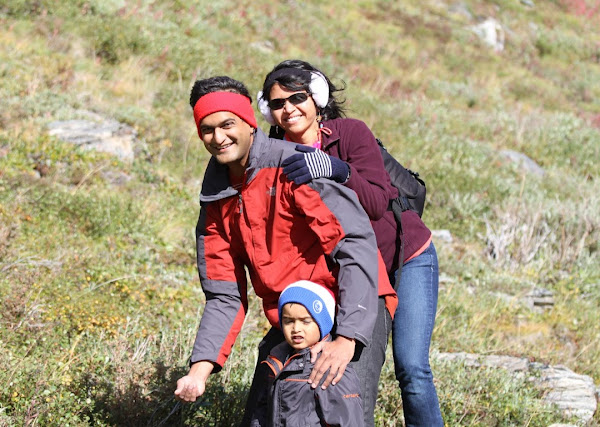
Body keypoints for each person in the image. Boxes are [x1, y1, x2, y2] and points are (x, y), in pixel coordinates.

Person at [173, 76, 397, 427]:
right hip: (293, 318)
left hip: (352, 304)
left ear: (249, 122)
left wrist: (346, 338)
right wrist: (199, 371)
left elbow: (354, 247)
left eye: (227, 124)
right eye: (207, 129)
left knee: (341, 413)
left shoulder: (294, 166)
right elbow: (224, 295)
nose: (218, 138)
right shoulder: (215, 198)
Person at [258, 60, 443, 426]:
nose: (288, 109)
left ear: (317, 99)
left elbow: (376, 202)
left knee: (411, 368)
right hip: (350, 268)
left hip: (405, 259)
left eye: (297, 98)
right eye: (278, 104)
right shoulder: (273, 151)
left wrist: (337, 169)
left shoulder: (351, 133)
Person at [251, 280, 363, 427]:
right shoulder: (276, 361)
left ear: (322, 323)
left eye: (305, 321)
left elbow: (348, 421)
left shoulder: (331, 368)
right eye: (288, 321)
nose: (296, 328)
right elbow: (261, 414)